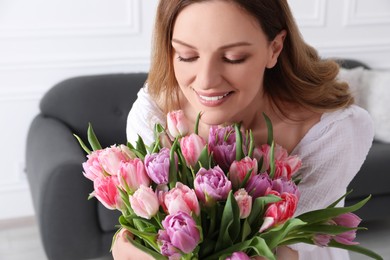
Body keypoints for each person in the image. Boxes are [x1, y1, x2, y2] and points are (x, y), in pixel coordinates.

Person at [113, 0, 374, 259]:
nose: (206, 80)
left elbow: (283, 247)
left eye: (233, 58)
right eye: (187, 56)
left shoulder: (331, 130)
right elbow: (142, 225)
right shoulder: (153, 115)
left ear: (275, 48)